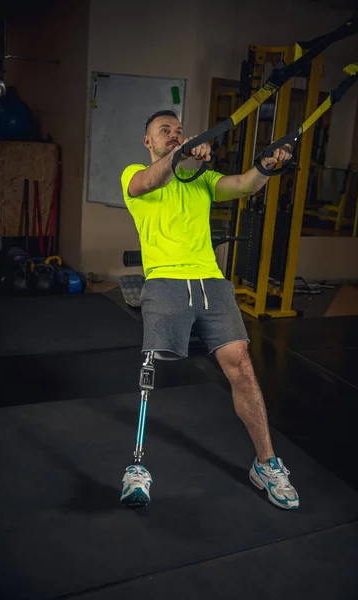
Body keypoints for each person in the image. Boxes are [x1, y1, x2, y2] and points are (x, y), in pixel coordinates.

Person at [120, 110, 299, 510]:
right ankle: (137, 470)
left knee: (243, 368)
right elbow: (152, 179)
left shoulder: (201, 179)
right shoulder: (135, 173)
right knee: (152, 370)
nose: (173, 135)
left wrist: (266, 166)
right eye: (164, 131)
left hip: (212, 283)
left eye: (179, 131)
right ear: (148, 142)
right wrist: (182, 152)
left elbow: (242, 185)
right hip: (165, 281)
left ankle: (267, 465)